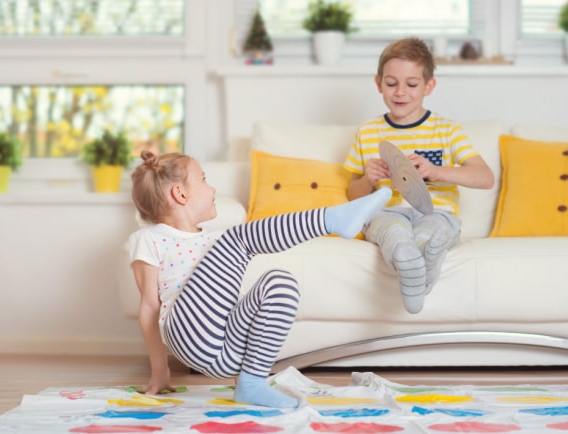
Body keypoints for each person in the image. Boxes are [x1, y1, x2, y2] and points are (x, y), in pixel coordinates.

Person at [127, 151, 392, 408]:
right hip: (188, 336)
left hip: (226, 353)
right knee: (236, 238)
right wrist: (159, 371)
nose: (212, 188)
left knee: (280, 282)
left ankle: (252, 381)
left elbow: (224, 306)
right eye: (204, 179)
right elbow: (150, 306)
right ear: (180, 193)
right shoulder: (150, 238)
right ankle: (332, 219)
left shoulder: (214, 240)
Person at [343, 37, 494, 314]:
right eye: (391, 84)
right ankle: (404, 253)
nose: (401, 92)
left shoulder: (447, 130)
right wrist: (368, 180)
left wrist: (436, 171)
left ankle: (426, 252)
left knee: (435, 227)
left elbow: (485, 178)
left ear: (429, 86)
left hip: (436, 211)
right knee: (392, 231)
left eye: (412, 84)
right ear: (378, 84)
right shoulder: (367, 131)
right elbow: (352, 196)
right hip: (386, 212)